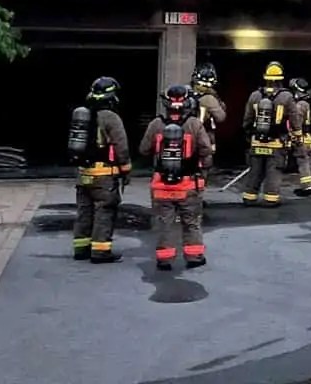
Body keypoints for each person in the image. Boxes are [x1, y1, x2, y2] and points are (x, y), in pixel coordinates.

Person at [139, 84, 213, 270]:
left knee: (165, 223)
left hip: (161, 185)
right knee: (191, 222)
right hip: (188, 185)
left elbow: (143, 149)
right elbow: (205, 150)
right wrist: (203, 172)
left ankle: (164, 259)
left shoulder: (156, 124)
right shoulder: (194, 124)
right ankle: (194, 257)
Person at [67, 76, 132, 264]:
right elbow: (121, 146)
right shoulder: (111, 117)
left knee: (84, 211)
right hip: (104, 175)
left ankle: (81, 248)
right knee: (105, 211)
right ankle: (100, 251)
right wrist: (126, 169)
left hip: (83, 173)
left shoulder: (83, 113)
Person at [239, 61, 299, 207]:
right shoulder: (286, 97)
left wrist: (249, 134)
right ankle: (271, 199)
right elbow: (294, 118)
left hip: (256, 141)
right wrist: (297, 135)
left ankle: (249, 197)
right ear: (281, 79)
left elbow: (247, 119)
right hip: (277, 143)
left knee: (255, 171)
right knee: (274, 171)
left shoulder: (255, 95)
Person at [288, 78, 311, 197]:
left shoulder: (300, 105)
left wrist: (293, 137)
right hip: (310, 138)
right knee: (309, 163)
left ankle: (306, 188)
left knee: (303, 163)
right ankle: (309, 185)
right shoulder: (308, 104)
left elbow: (297, 123)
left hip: (303, 139)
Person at [190, 63, 227, 158]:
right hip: (202, 136)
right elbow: (220, 117)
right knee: (205, 161)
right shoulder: (209, 99)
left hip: (181, 136)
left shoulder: (185, 93)